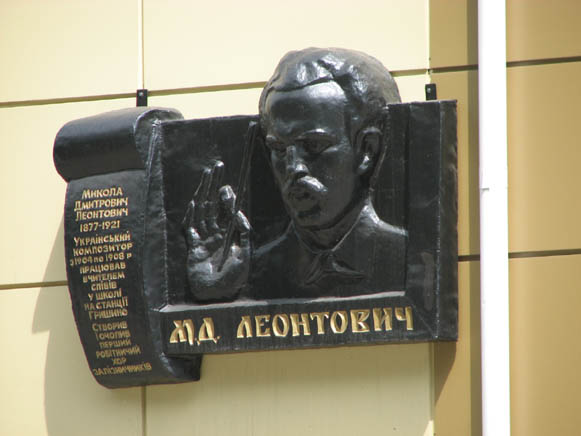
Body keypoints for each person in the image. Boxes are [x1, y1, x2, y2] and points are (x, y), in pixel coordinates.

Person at [183, 47, 406, 301]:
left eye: (314, 146)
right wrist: (215, 292)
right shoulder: (254, 270)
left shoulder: (409, 258)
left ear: (367, 150)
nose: (294, 168)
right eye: (278, 148)